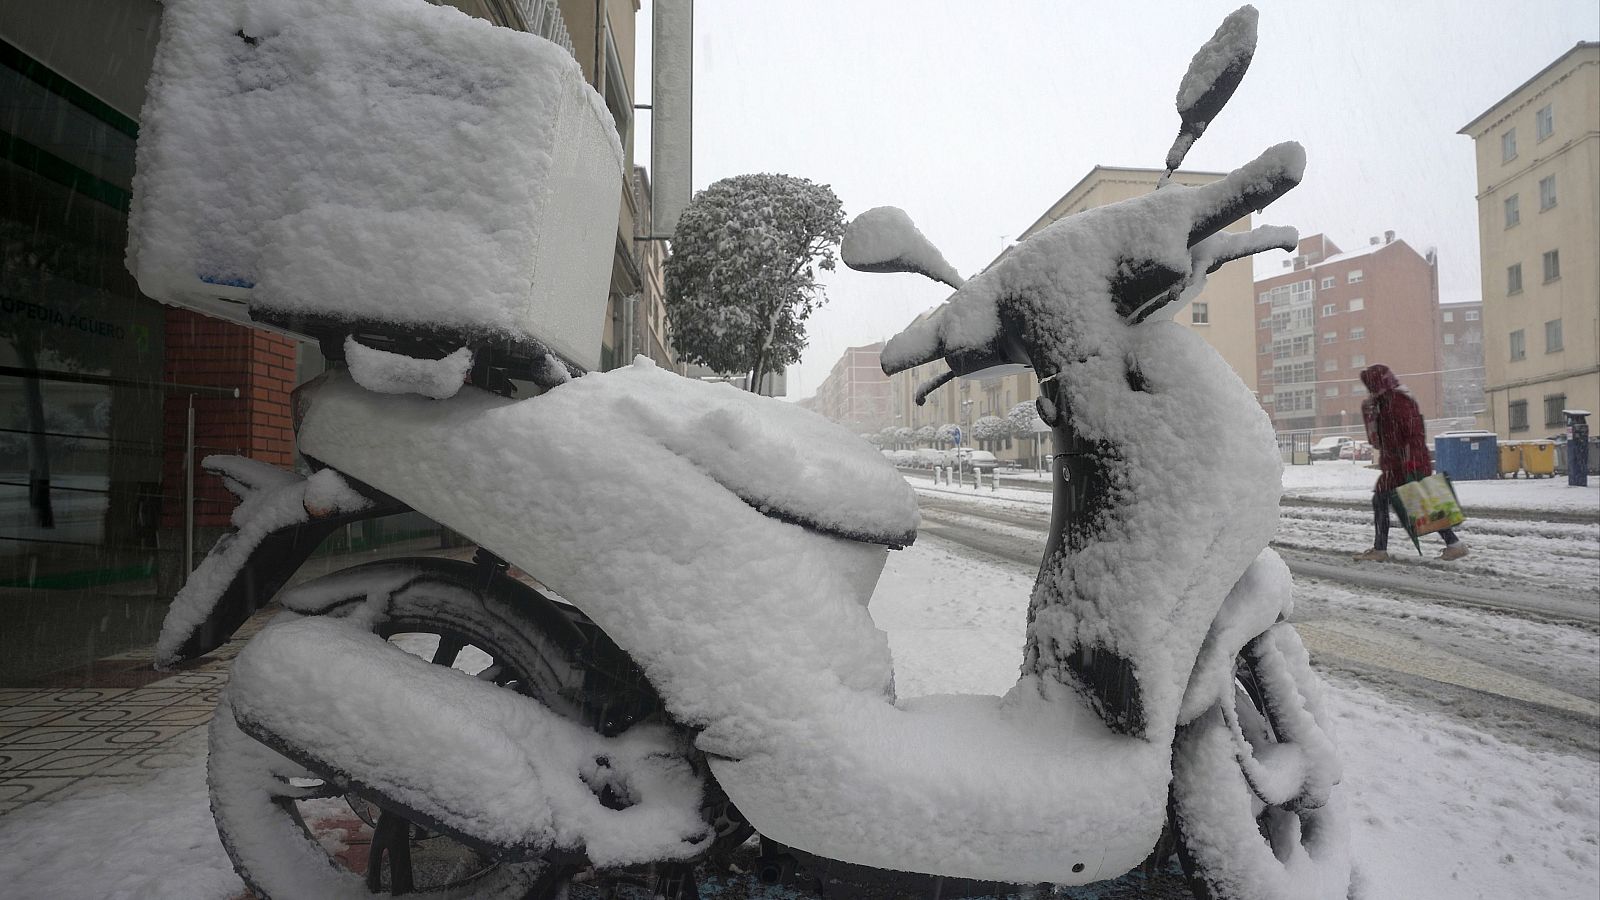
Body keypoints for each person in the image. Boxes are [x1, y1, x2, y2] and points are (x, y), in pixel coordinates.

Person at [1352, 363, 1467, 561]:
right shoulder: (1384, 403)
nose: (1369, 390)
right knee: (1421, 504)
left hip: (1405, 464)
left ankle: (1381, 550)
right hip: (1397, 464)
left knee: (1412, 503)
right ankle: (1453, 544)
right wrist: (1370, 417)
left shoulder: (1397, 402)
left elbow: (1412, 433)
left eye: (1371, 385)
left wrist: (1411, 462)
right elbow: (1379, 441)